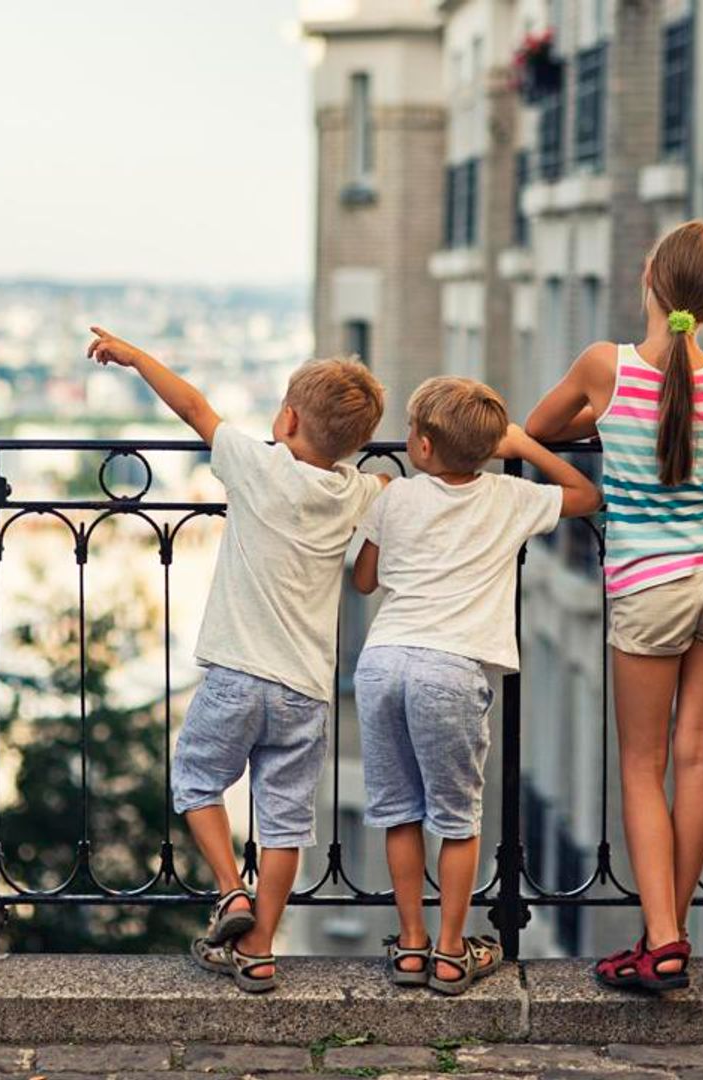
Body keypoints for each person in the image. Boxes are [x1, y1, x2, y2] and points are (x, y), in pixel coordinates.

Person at [88, 327, 387, 993]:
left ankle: (230, 890)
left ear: (286, 419)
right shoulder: (359, 493)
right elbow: (377, 526)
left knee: (196, 781)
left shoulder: (257, 463)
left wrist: (136, 357)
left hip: (234, 671)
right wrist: (379, 482)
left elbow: (194, 407)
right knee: (284, 821)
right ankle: (259, 952)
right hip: (305, 687)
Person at [525, 220, 703, 991]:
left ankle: (662, 938)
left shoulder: (604, 367)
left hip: (649, 582)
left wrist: (605, 418)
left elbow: (538, 430)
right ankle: (672, 933)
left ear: (649, 277)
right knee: (699, 751)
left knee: (644, 763)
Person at [352, 376, 600, 995]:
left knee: (398, 812)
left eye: (411, 431)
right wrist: (524, 445)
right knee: (457, 820)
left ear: (426, 447)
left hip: (382, 661)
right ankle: (450, 949)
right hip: (450, 669)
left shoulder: (395, 497)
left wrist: (381, 511)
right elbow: (585, 494)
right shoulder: (510, 497)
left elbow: (363, 580)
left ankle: (409, 944)